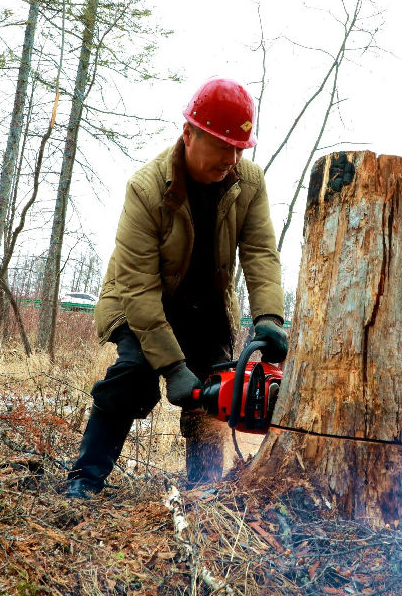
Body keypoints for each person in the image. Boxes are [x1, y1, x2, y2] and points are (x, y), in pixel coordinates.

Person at [65, 78, 288, 499]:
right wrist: (172, 368)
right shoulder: (146, 188)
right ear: (189, 134)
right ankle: (84, 480)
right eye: (221, 146)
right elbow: (137, 288)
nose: (231, 159)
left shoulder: (249, 182)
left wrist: (269, 318)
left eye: (239, 149)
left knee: (216, 386)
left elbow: (260, 252)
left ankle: (204, 488)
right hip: (139, 301)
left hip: (206, 304)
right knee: (134, 374)